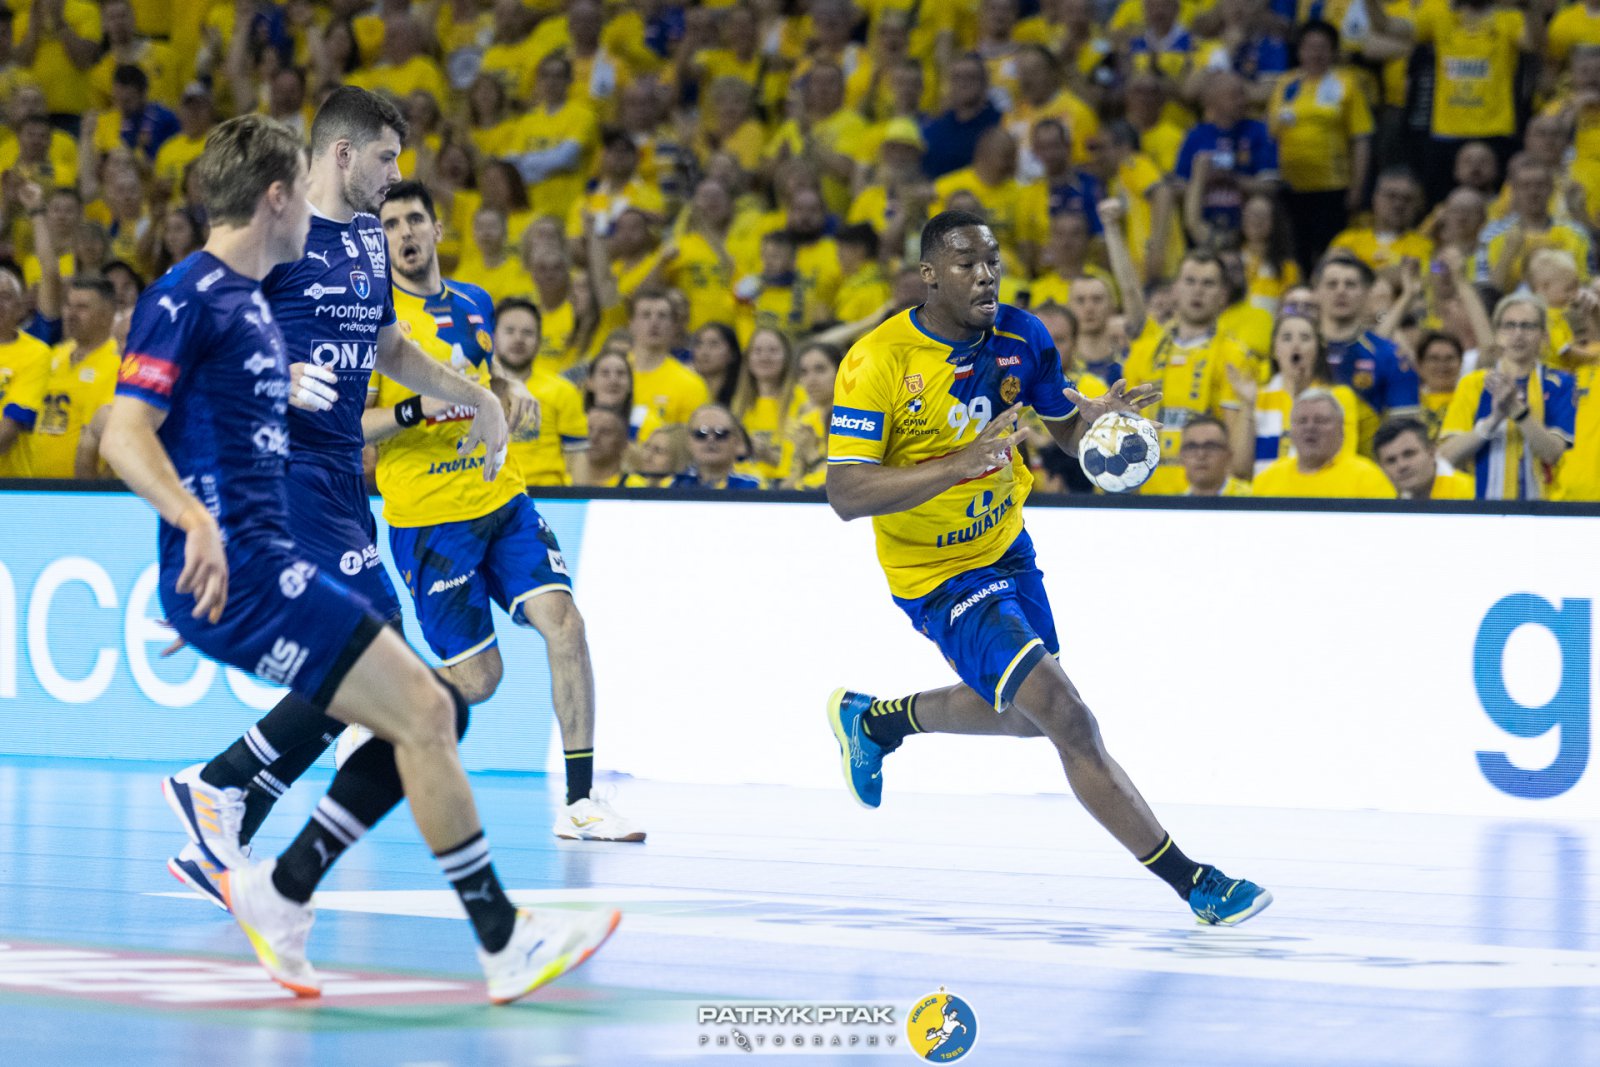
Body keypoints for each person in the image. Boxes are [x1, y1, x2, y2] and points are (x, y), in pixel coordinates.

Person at [101, 113, 617, 1005]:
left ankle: (272, 863)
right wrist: (195, 532)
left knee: (432, 711)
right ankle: (498, 938)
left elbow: (239, 439)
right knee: (428, 707)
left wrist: (475, 396)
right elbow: (125, 434)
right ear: (278, 197)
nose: (318, 211)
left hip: (289, 534)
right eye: (302, 193)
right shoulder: (193, 298)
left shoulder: (262, 301)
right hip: (262, 561)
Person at [824, 209, 1270, 927]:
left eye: (993, 262)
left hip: (1007, 545)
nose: (986, 276)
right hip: (937, 573)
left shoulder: (1023, 336)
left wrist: (1096, 420)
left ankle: (877, 722)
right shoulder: (877, 361)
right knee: (1068, 717)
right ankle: (1196, 883)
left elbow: (1061, 429)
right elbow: (845, 493)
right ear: (929, 275)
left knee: (1029, 719)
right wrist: (958, 464)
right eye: (967, 264)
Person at [157, 87, 535, 910]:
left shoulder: (367, 236)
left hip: (341, 475)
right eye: (386, 159)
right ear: (341, 153)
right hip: (281, 470)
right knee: (380, 651)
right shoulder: (276, 232)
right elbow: (199, 346)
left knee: (362, 669)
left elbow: (388, 345)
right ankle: (219, 784)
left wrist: (475, 394)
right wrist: (274, 374)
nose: (396, 176)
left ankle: (227, 813)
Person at [354, 181, 642, 842]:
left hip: (504, 497)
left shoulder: (475, 302)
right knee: (481, 679)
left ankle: (580, 803)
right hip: (430, 519)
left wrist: (510, 388)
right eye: (390, 224)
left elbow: (482, 374)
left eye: (414, 219)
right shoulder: (373, 322)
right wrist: (416, 409)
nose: (404, 233)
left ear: (436, 229)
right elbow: (349, 428)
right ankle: (372, 710)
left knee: (566, 625)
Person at [1438, 295, 1576, 500]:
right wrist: (1493, 421)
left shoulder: (1560, 383)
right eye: (1509, 326)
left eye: (1527, 326)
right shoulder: (1473, 384)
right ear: (1497, 334)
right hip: (1484, 506)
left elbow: (1553, 453)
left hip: (1545, 507)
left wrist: (1517, 411)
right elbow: (1446, 457)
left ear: (1544, 336)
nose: (1518, 334)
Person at [1313, 253, 1420, 451]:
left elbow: (1406, 430)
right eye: (1332, 284)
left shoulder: (1390, 355)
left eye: (1350, 284)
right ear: (1316, 292)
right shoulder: (1299, 350)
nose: (1341, 291)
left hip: (1365, 464)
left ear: (1367, 293)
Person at [490, 295, 591, 487]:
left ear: (538, 341)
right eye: (509, 331)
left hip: (547, 495)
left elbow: (578, 458)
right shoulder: (475, 389)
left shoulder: (563, 391)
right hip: (489, 495)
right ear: (493, 337)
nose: (518, 339)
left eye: (527, 333)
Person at [1251, 390, 1397, 497]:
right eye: (1302, 421)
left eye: (1320, 420)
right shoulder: (1267, 479)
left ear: (1341, 430)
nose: (1310, 427)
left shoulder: (1367, 477)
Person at [1373, 416, 1475, 499]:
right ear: (1382, 468)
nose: (1402, 465)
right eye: (1391, 461)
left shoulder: (1471, 495)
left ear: (1432, 452)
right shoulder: (1392, 510)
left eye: (1409, 454)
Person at [671, 403, 763, 489]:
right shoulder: (674, 484)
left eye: (720, 433)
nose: (711, 439)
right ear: (688, 442)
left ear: (737, 441)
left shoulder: (755, 484)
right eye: (701, 434)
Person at [1179, 416, 1251, 496]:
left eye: (1210, 446)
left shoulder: (1252, 497)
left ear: (1228, 456)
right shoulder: (1174, 502)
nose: (1201, 455)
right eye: (1192, 447)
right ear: (1181, 456)